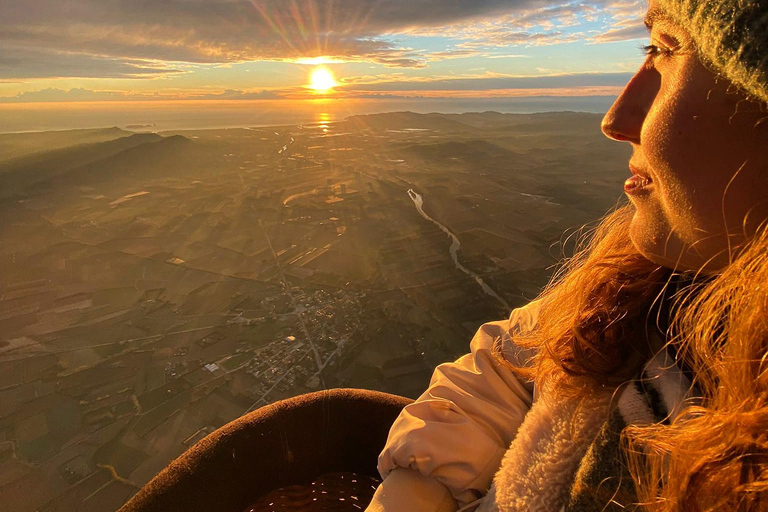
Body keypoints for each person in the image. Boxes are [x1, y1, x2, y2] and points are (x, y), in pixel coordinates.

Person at [366, 0, 768, 510]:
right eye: (649, 48)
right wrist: (419, 487)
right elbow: (512, 363)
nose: (617, 119)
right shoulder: (647, 284)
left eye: (667, 49)